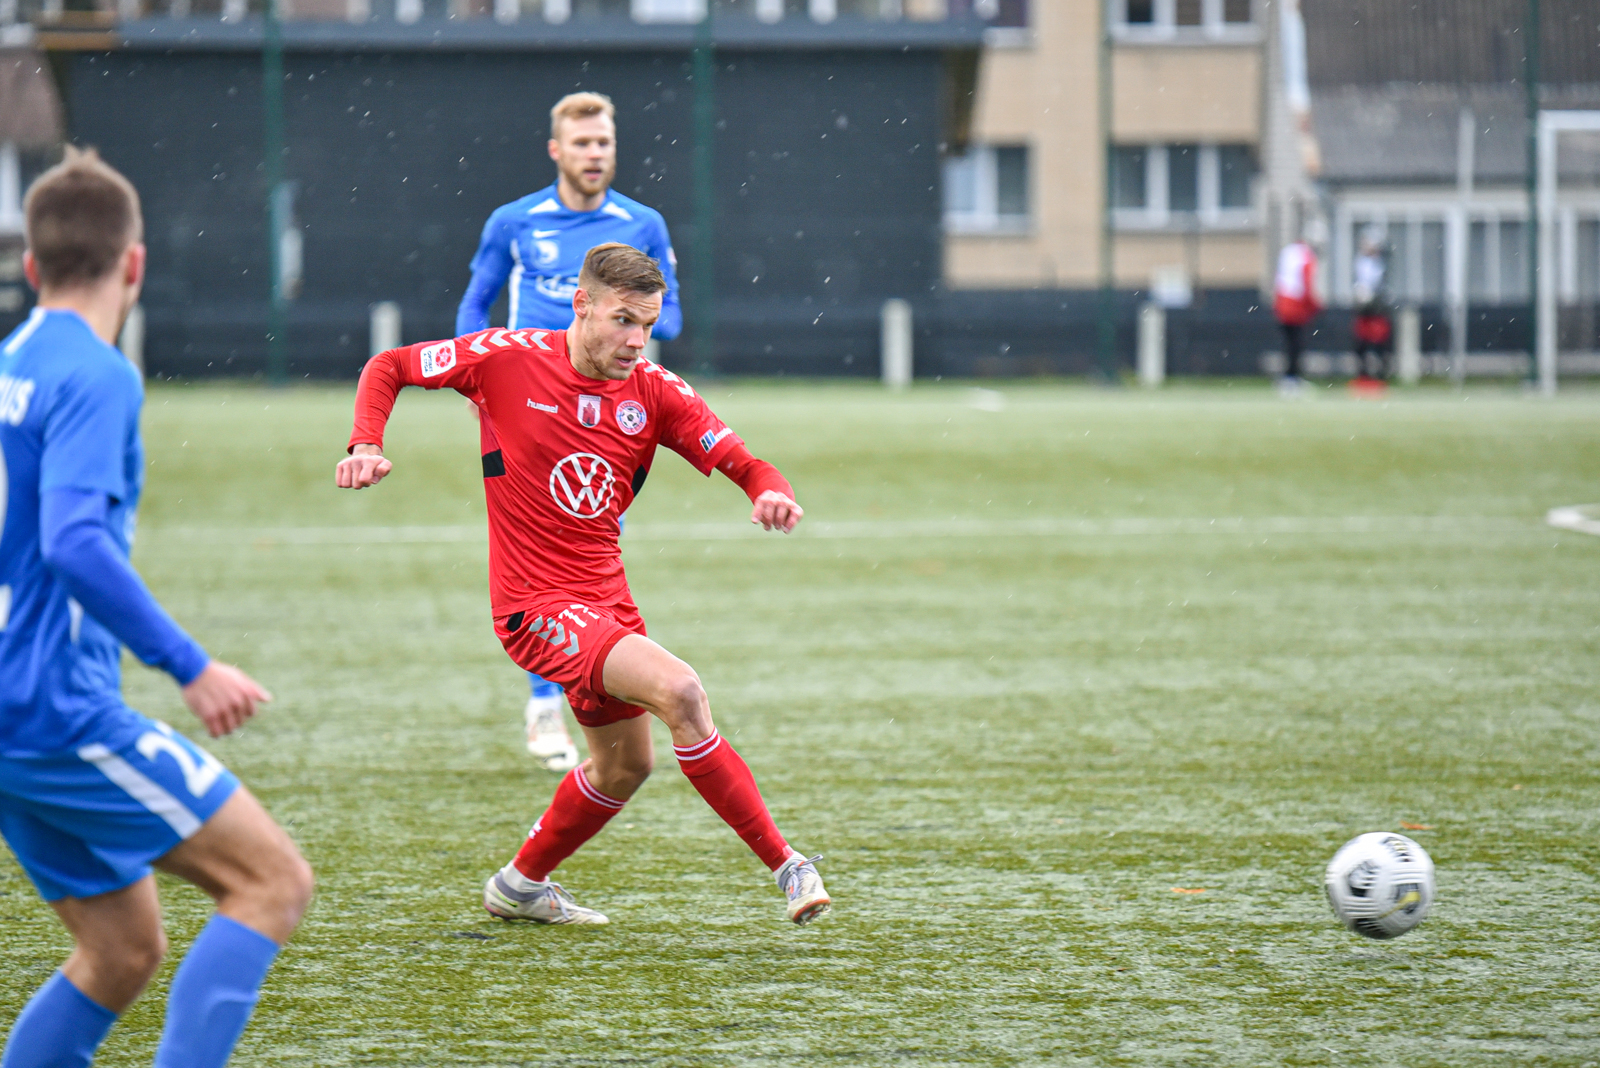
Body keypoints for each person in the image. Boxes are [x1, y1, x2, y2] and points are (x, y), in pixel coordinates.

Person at [337, 242, 829, 927]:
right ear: (581, 305)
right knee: (683, 693)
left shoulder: (655, 392)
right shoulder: (505, 357)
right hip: (534, 607)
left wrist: (770, 491)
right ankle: (788, 865)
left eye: (647, 325)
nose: (637, 341)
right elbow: (390, 365)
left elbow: (746, 463)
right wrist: (366, 442)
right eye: (623, 320)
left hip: (606, 606)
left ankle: (518, 887)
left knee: (624, 768)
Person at [0, 149, 312, 1068]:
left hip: (13, 708)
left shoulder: (10, 363)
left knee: (121, 949)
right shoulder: (96, 375)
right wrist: (191, 665)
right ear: (134, 263)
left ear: (32, 266)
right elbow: (74, 542)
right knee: (273, 882)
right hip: (53, 711)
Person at [456, 91, 683, 776]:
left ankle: (584, 692)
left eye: (603, 142)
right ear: (557, 150)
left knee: (589, 547)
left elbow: (670, 316)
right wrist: (479, 375)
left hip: (609, 411)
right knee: (540, 553)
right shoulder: (514, 221)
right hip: (529, 407)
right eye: (582, 143)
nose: (594, 154)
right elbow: (475, 303)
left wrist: (612, 318)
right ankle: (543, 704)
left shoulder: (642, 224)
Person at [1273, 236, 1321, 395]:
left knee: (1290, 345)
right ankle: (1291, 378)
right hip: (1296, 307)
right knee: (1296, 345)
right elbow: (1306, 286)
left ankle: (1290, 377)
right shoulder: (1305, 257)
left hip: (1283, 304)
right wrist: (1314, 306)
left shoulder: (1289, 252)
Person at [1350, 235, 1391, 382]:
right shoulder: (1360, 262)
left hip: (1377, 310)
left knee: (1379, 343)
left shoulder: (1381, 264)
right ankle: (1363, 375)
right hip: (1364, 311)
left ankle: (1380, 376)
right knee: (1361, 343)